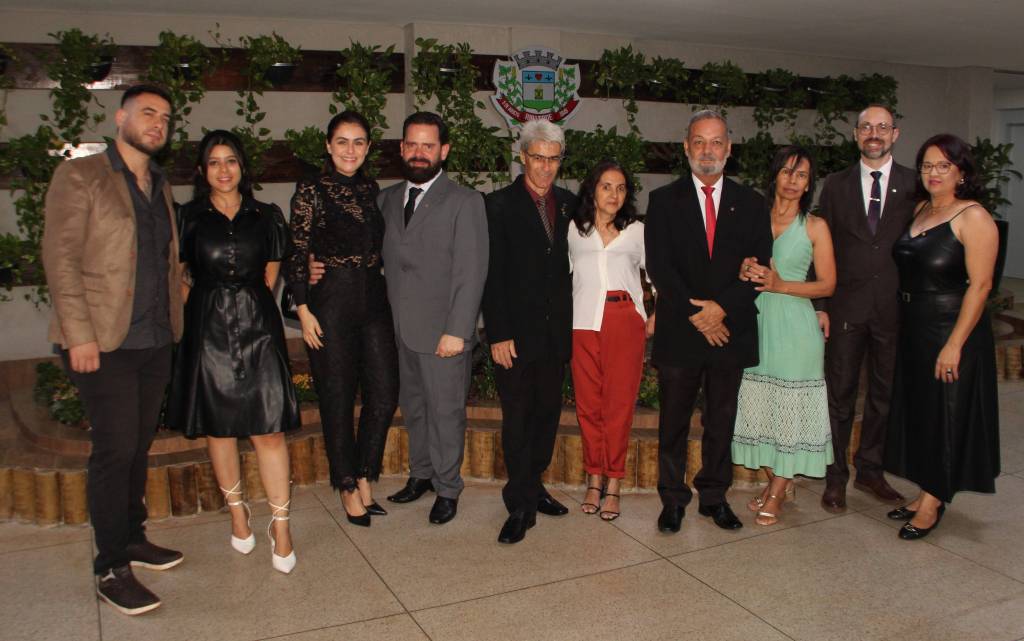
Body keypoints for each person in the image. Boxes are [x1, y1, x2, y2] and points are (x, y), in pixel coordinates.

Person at [41, 84, 184, 615]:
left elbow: (160, 258)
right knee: (114, 449)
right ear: (120, 117)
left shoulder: (159, 183)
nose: (157, 123)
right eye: (147, 113)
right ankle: (110, 566)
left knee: (137, 445)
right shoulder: (82, 175)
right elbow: (60, 259)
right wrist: (78, 333)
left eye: (165, 117)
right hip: (101, 341)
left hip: (153, 338)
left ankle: (132, 537)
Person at [167, 129, 300, 574]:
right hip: (207, 332)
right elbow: (176, 275)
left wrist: (242, 306)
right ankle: (238, 514)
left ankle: (281, 525)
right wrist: (204, 305)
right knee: (219, 429)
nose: (223, 170)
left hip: (258, 328)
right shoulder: (186, 217)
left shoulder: (267, 216)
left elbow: (269, 277)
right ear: (202, 170)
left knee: (269, 431)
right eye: (214, 162)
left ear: (242, 167)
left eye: (231, 161)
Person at [645, 109, 772, 534]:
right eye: (699, 141)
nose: (707, 150)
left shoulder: (752, 204)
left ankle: (714, 496)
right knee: (674, 422)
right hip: (681, 331)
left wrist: (721, 309)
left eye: (716, 142)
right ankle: (672, 499)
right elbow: (660, 268)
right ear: (686, 147)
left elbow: (759, 268)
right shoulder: (663, 201)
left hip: (729, 331)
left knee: (721, 420)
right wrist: (699, 314)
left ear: (729, 148)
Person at [284, 111, 399, 527]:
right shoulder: (310, 189)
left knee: (384, 393)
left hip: (373, 298)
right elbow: (297, 252)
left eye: (359, 141)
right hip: (330, 301)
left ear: (367, 147)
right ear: (328, 146)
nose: (350, 150)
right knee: (337, 397)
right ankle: (348, 485)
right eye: (342, 141)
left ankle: (366, 472)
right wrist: (303, 308)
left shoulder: (370, 189)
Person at [884, 134, 1000, 540]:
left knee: (947, 415)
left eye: (943, 166)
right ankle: (926, 491)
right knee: (923, 412)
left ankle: (933, 502)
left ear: (961, 172)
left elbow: (981, 286)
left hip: (951, 329)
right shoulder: (921, 210)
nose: (933, 173)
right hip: (915, 327)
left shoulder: (974, 217)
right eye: (927, 165)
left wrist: (954, 344)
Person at [379, 112, 489, 525]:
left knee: (445, 413)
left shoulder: (465, 201)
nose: (419, 153)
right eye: (412, 144)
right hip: (398, 330)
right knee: (414, 408)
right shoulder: (386, 199)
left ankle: (447, 487)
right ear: (402, 148)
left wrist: (458, 331)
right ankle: (421, 474)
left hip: (444, 333)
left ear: (444, 150)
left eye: (428, 145)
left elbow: (471, 271)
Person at [815, 105, 919, 513]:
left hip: (894, 308)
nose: (874, 133)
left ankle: (871, 469)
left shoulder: (915, 185)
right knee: (839, 394)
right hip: (846, 307)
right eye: (866, 127)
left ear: (895, 134)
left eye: (882, 127)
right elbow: (822, 248)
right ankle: (835, 476)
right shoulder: (835, 185)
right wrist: (821, 304)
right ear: (855, 134)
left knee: (884, 393)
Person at [482, 120, 576, 545]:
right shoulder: (497, 205)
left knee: (547, 415)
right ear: (523, 157)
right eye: (538, 157)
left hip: (555, 336)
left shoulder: (571, 204)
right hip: (514, 338)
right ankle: (519, 503)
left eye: (553, 159)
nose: (546, 167)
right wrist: (498, 333)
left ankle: (534, 485)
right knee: (518, 418)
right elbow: (491, 274)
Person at [734, 146, 836, 526]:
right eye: (787, 172)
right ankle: (777, 481)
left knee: (789, 413)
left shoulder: (815, 226)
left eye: (802, 175)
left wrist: (781, 285)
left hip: (796, 326)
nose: (793, 181)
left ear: (809, 184)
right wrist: (742, 269)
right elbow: (735, 263)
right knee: (759, 408)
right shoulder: (753, 218)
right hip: (756, 322)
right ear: (775, 175)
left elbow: (828, 284)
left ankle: (777, 491)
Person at [568, 160, 654, 523]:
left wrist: (655, 314)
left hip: (624, 321)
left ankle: (614, 483)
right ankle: (593, 479)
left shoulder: (637, 231)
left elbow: (659, 274)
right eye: (607, 186)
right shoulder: (574, 230)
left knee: (619, 405)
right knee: (588, 406)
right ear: (593, 190)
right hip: (582, 323)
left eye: (621, 188)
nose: (614, 194)